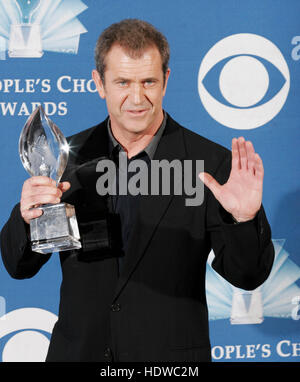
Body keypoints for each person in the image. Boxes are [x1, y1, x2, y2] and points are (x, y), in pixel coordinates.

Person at [0, 19, 274, 362]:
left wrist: (244, 219)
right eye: (122, 82)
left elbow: (247, 276)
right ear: (99, 83)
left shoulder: (210, 165)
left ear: (166, 81)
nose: (136, 97)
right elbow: (17, 265)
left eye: (148, 82)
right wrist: (26, 220)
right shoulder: (64, 159)